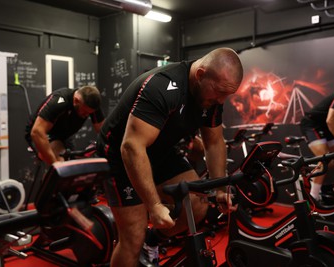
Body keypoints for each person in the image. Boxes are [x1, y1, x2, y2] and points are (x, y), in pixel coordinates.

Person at [96, 47, 244, 267]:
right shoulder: (163, 87)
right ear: (200, 75)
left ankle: (153, 240)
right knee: (132, 239)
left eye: (227, 95)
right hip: (121, 154)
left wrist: (219, 189)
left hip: (160, 150)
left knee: (197, 204)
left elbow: (214, 142)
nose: (222, 101)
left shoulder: (211, 98)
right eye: (220, 92)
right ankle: (140, 241)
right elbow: (131, 147)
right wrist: (154, 206)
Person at [25, 86, 105, 166]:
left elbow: (103, 132)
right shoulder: (59, 102)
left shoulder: (91, 105)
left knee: (75, 167)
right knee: (63, 166)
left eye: (89, 113)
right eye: (84, 112)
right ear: (76, 101)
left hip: (64, 136)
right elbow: (37, 132)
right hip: (40, 132)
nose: (86, 115)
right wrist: (56, 167)